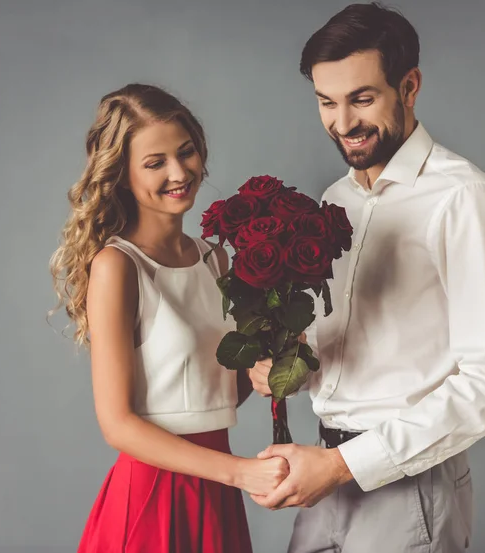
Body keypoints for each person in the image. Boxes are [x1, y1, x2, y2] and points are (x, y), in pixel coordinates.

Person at [247, 3, 485, 552]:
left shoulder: (463, 199)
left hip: (408, 488)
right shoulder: (334, 200)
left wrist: (345, 464)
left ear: (410, 86)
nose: (343, 123)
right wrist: (292, 369)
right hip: (324, 479)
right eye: (327, 102)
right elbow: (357, 352)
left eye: (362, 99)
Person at [50, 83, 289, 553]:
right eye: (155, 162)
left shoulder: (216, 260)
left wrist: (263, 375)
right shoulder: (117, 266)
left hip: (218, 489)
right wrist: (240, 471)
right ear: (120, 175)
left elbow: (210, 395)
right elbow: (116, 424)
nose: (179, 172)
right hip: (153, 495)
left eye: (186, 153)